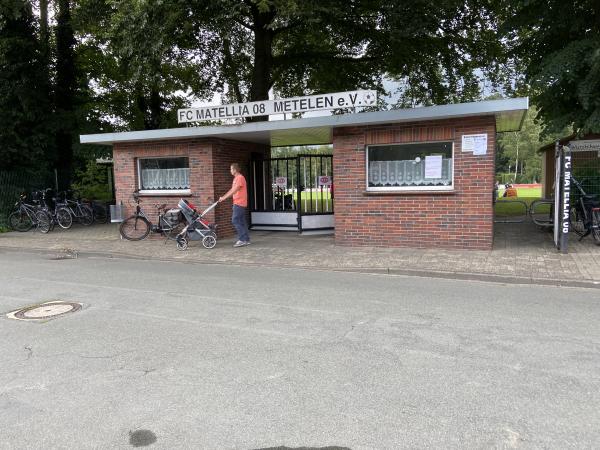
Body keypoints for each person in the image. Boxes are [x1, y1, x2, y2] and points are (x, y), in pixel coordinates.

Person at [218, 163, 250, 247]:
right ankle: (246, 239)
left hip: (239, 203)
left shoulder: (240, 178)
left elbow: (234, 190)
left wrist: (224, 198)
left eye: (231, 169)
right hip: (238, 203)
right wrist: (223, 197)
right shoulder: (236, 178)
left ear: (235, 170)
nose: (230, 171)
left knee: (235, 220)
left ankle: (242, 239)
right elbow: (231, 190)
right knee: (242, 222)